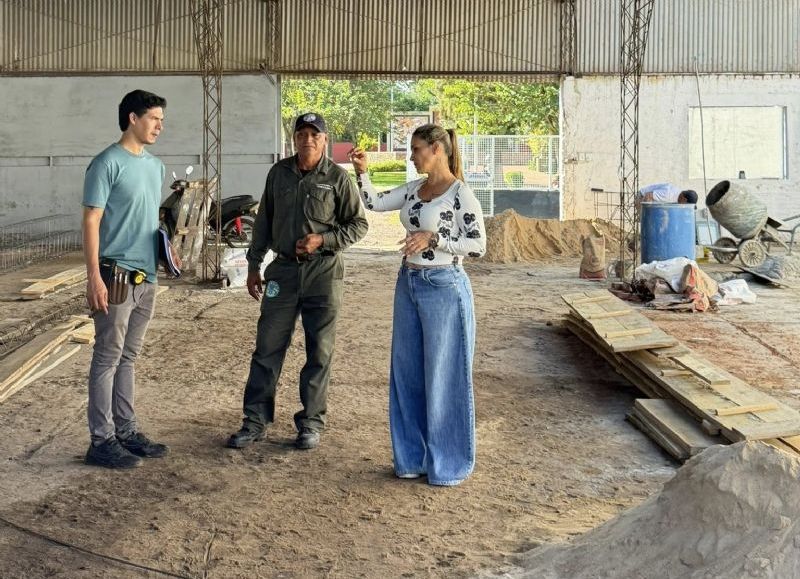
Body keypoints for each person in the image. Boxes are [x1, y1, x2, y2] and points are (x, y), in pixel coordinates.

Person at [350, 124, 486, 486]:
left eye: (416, 149)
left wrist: (435, 238)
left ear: (437, 149)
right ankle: (411, 459)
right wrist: (362, 173)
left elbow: (478, 244)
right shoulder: (414, 190)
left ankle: (448, 466)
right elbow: (374, 203)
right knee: (406, 372)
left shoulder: (460, 195)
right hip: (408, 283)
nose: (411, 156)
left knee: (444, 376)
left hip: (444, 285)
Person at [227, 113, 368, 451]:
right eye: (301, 134)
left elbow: (358, 226)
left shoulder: (337, 178)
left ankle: (310, 422)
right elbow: (263, 223)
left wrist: (323, 240)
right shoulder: (279, 174)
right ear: (294, 139)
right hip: (284, 274)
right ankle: (255, 421)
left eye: (314, 135)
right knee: (267, 348)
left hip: (324, 274)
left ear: (325, 140)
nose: (307, 140)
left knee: (319, 351)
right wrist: (253, 265)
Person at [82, 90, 175, 469]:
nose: (159, 126)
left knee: (128, 358)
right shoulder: (106, 163)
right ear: (133, 118)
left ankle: (126, 430)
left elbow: (148, 219)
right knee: (107, 357)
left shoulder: (155, 167)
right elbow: (91, 220)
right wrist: (93, 276)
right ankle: (100, 440)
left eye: (161, 121)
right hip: (114, 274)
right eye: (153, 118)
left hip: (146, 275)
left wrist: (165, 248)